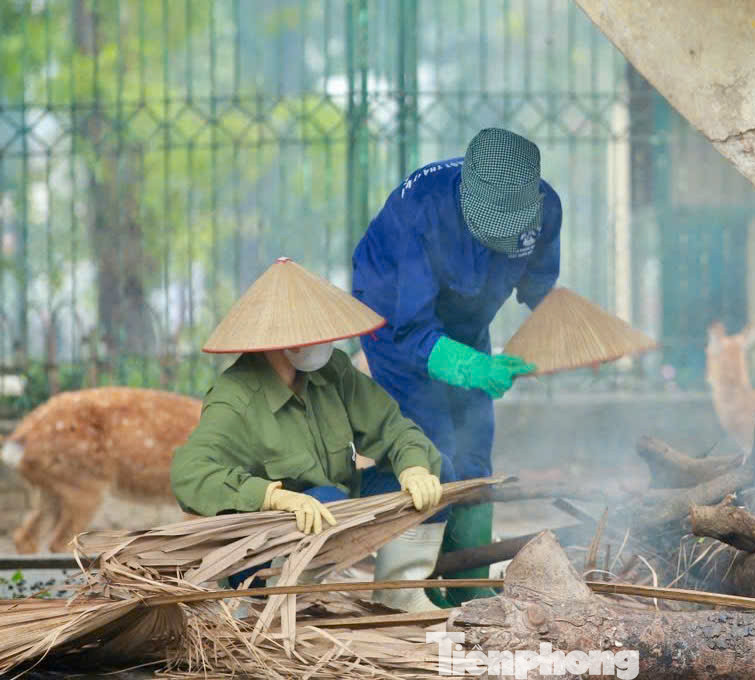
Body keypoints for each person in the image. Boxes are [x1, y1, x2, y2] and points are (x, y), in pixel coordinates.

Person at [171, 256, 454, 612]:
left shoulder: (332, 370)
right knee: (325, 500)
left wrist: (413, 467)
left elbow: (393, 427)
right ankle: (285, 604)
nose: (326, 341)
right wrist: (273, 498)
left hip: (337, 504)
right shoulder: (235, 399)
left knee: (437, 466)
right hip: (264, 551)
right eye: (314, 334)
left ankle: (401, 592)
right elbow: (189, 472)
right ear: (280, 341)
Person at [351, 128, 561, 606]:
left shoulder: (545, 207)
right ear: (468, 198)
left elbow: (542, 290)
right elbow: (412, 329)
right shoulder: (418, 211)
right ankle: (404, 588)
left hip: (467, 324)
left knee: (473, 448)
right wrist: (470, 368)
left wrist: (561, 339)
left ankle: (468, 583)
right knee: (428, 452)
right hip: (395, 323)